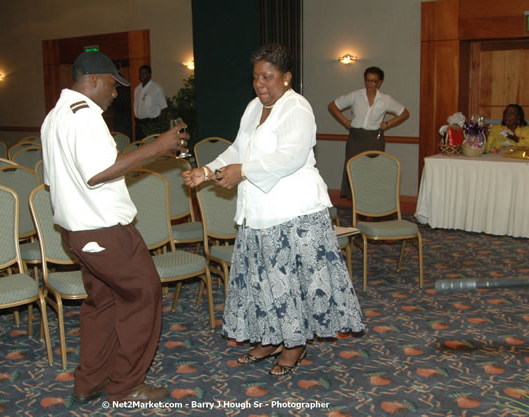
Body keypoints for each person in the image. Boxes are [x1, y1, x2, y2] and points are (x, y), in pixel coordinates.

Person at [182, 44, 364, 376]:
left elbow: (290, 157)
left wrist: (244, 171)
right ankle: (271, 337)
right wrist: (206, 171)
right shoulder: (254, 107)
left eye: (268, 77)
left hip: (293, 212)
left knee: (290, 282)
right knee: (262, 279)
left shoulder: (297, 108)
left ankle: (294, 345)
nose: (260, 84)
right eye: (256, 78)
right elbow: (238, 148)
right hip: (259, 212)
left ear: (286, 77)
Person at [40, 51, 188, 403]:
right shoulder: (85, 117)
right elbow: (97, 173)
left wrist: (146, 155)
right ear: (91, 80)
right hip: (103, 231)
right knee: (144, 295)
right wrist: (159, 145)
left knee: (103, 304)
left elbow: (54, 178)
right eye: (112, 84)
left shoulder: (54, 116)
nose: (116, 92)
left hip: (78, 234)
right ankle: (126, 386)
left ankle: (91, 381)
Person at [328, 67, 409, 198]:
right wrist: (345, 122)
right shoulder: (355, 95)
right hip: (355, 138)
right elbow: (332, 106)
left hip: (374, 139)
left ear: (380, 82)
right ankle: (355, 201)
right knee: (353, 170)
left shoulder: (385, 99)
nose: (370, 84)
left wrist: (388, 124)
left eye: (374, 81)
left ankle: (372, 201)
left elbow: (404, 113)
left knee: (373, 171)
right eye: (368, 80)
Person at [133, 65, 167, 140]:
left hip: (151, 123)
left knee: (151, 146)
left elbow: (164, 108)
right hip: (139, 124)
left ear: (150, 75)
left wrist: (160, 125)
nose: (142, 75)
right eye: (141, 73)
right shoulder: (137, 89)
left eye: (145, 73)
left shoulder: (156, 88)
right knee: (139, 146)